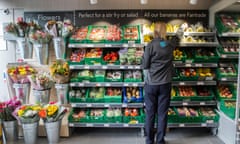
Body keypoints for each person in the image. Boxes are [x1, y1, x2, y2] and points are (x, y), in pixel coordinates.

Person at [142, 22, 183, 144]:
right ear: (165, 32)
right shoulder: (169, 45)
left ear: (154, 31)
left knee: (150, 113)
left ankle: (149, 140)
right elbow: (177, 38)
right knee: (162, 113)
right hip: (165, 84)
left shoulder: (150, 45)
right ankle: (160, 140)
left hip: (151, 84)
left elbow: (145, 65)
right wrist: (181, 28)